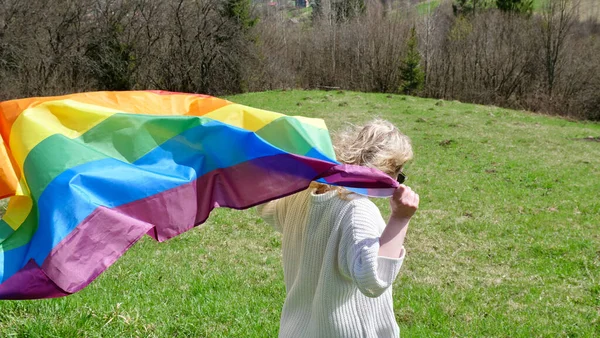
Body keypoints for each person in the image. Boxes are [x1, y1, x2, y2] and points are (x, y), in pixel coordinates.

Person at [257, 119, 419, 338]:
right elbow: (373, 281)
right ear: (385, 168)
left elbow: (268, 208)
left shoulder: (303, 195)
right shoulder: (358, 211)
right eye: (398, 172)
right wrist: (400, 219)